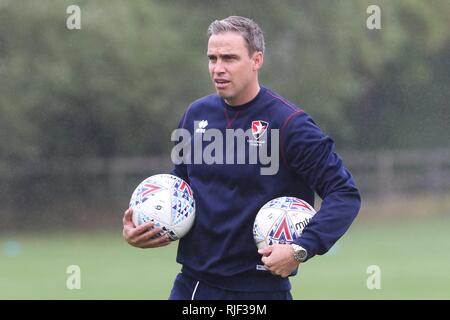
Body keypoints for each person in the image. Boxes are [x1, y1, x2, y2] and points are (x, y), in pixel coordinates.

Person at [122, 16, 361, 300]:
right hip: (195, 286)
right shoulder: (195, 116)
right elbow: (180, 187)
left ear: (256, 59)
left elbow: (344, 193)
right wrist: (145, 223)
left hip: (261, 289)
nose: (218, 69)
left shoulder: (290, 124)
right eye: (212, 58)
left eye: (230, 58)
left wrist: (300, 248)